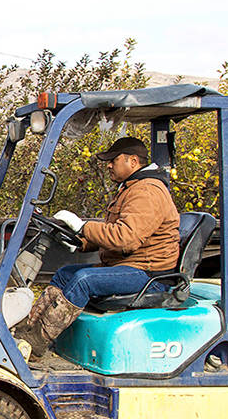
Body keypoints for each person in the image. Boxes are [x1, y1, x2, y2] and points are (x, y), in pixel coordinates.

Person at [17, 136, 181, 357]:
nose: (109, 165)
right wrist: (80, 241)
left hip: (147, 274)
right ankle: (28, 331)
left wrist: (84, 227)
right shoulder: (132, 188)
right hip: (130, 265)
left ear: (133, 161)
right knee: (65, 274)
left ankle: (35, 344)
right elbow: (114, 232)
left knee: (84, 280)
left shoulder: (147, 191)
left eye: (114, 160)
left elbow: (126, 238)